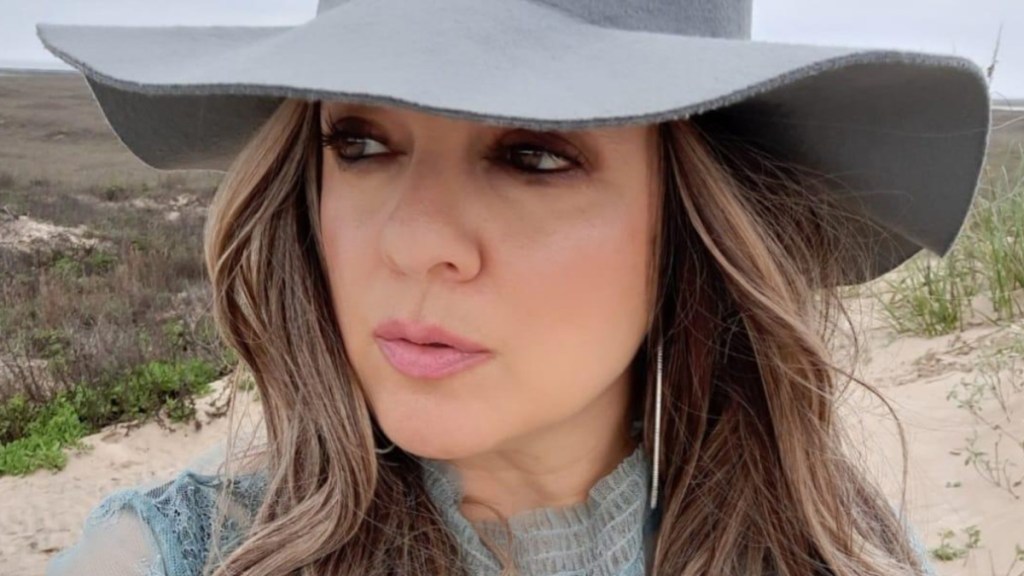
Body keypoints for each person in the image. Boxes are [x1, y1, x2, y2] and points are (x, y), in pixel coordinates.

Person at [36, 0, 991, 574]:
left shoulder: (842, 553)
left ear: (687, 215)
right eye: (359, 144)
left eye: (533, 156)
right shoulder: (178, 556)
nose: (414, 241)